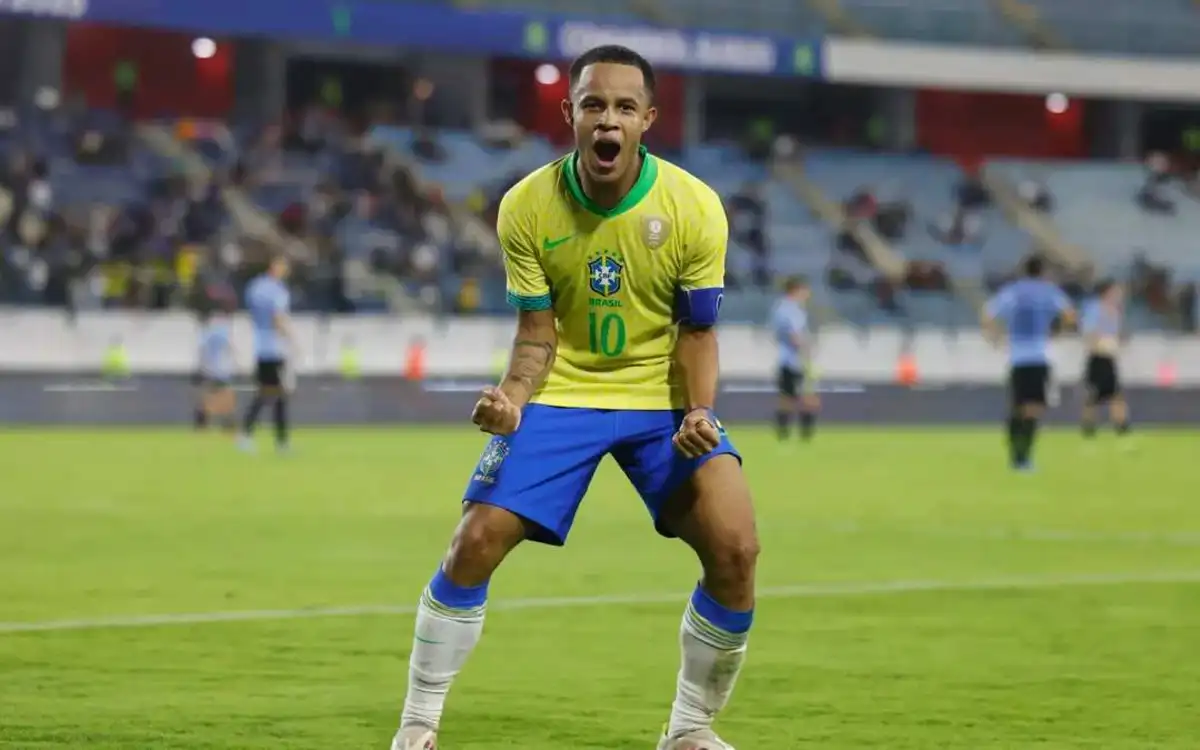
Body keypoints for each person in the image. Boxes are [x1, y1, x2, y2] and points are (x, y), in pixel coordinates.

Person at [391, 46, 757, 750]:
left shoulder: (694, 207)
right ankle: (418, 722)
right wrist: (511, 398)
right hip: (563, 390)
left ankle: (689, 732)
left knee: (737, 548)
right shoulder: (527, 206)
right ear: (571, 114)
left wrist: (700, 413)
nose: (608, 119)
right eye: (594, 104)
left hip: (660, 397)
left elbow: (698, 332)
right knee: (473, 543)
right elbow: (536, 335)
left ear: (647, 119)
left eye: (624, 106)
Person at [982, 256, 1076, 472]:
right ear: (1043, 272)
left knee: (1018, 405)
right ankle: (1023, 458)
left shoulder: (1013, 291)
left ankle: (1014, 446)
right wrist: (1057, 333)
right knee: (1034, 408)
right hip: (1038, 355)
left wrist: (995, 337)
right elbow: (1070, 316)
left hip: (1016, 356)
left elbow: (988, 314)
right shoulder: (1049, 292)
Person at [238, 255, 295, 453]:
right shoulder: (278, 291)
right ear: (275, 267)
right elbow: (278, 317)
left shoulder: (255, 287)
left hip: (260, 347)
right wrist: (291, 338)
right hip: (274, 348)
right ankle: (276, 441)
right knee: (273, 395)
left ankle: (254, 436)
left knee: (267, 394)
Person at [1080, 280, 1131, 441]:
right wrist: (1099, 344)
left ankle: (1121, 426)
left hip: (1109, 357)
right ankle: (1089, 427)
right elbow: (1089, 333)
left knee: (1115, 394)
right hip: (1098, 356)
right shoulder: (1095, 309)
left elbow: (1116, 334)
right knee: (1095, 396)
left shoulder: (1115, 312)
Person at [770, 275, 818, 441]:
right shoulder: (792, 310)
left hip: (786, 359)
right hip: (795, 361)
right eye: (805, 290)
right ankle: (805, 436)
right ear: (796, 289)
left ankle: (784, 434)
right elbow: (795, 335)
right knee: (805, 397)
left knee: (787, 397)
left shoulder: (780, 308)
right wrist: (807, 348)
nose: (807, 294)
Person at [194, 308, 237, 431]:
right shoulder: (223, 329)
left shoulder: (206, 331)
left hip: (210, 368)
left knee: (210, 393)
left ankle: (203, 419)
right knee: (226, 394)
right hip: (223, 369)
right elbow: (230, 348)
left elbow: (201, 349)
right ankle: (227, 421)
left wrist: (200, 365)